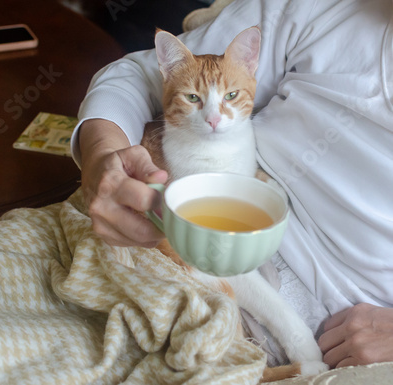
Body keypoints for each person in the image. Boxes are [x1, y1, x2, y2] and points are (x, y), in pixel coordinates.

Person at [70, 0, 393, 369]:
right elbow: (135, 75)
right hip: (185, 238)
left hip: (337, 330)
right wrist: (100, 157)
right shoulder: (319, 9)